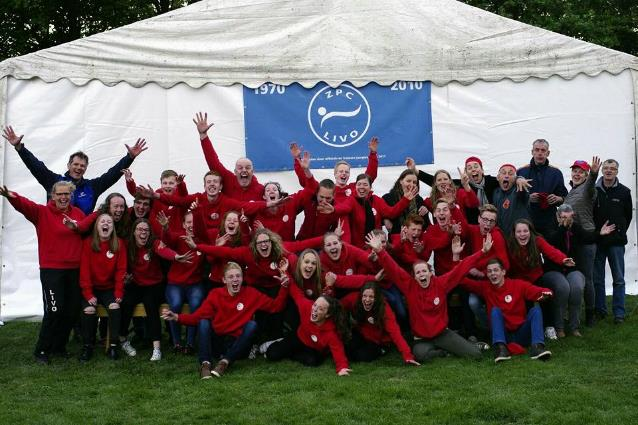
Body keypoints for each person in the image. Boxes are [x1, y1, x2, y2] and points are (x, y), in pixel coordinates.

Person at [366, 231, 492, 362]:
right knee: (420, 355)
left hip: (443, 334)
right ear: (414, 276)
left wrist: (482, 252)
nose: (421, 274)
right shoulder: (409, 286)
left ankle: (469, 344)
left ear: (430, 273)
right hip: (422, 339)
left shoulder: (441, 284)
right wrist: (380, 250)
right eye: (418, 272)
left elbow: (461, 268)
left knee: (476, 355)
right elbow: (393, 268)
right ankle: (443, 351)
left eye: (424, 271)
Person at [0, 182, 85, 363]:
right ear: (52, 196)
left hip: (74, 270)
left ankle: (59, 347)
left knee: (71, 312)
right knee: (54, 310)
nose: (63, 197)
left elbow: (85, 232)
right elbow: (25, 205)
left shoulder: (78, 214)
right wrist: (10, 196)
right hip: (52, 271)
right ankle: (42, 350)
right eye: (59, 194)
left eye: (67, 194)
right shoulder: (41, 213)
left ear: (71, 195)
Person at [162, 262, 289, 378]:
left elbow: (276, 307)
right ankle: (205, 364)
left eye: (238, 276)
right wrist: (177, 317)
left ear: (242, 278)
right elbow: (198, 318)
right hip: (218, 341)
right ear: (224, 280)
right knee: (204, 322)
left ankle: (225, 362)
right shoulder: (215, 294)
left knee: (252, 325)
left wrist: (284, 286)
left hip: (237, 344)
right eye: (231, 277)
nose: (235, 279)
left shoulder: (251, 293)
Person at [2, 125, 147, 214]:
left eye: (82, 166)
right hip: (56, 236)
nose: (78, 168)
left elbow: (112, 174)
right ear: (69, 165)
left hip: (81, 240)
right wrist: (20, 148)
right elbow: (36, 166)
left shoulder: (93, 186)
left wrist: (129, 157)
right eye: (76, 164)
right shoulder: (54, 181)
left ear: (86, 169)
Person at [118, 219, 193, 361]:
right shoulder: (129, 245)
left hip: (155, 284)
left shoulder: (154, 243)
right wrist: (126, 279)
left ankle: (156, 348)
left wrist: (176, 257)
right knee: (126, 302)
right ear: (134, 232)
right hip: (136, 284)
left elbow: (164, 250)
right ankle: (123, 339)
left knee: (150, 303)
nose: (143, 232)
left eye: (146, 230)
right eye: (139, 229)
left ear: (150, 232)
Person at [263, 259, 352, 376]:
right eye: (315, 305)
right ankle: (281, 343)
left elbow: (338, 351)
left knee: (313, 362)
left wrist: (342, 368)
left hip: (314, 349)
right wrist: (285, 273)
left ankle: (292, 353)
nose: (314, 309)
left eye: (320, 309)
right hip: (299, 337)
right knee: (271, 354)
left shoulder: (331, 333)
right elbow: (294, 290)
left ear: (327, 314)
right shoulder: (306, 307)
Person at [461, 258, 553, 363]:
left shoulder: (518, 285)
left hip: (522, 333)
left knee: (536, 310)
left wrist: (547, 293)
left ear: (503, 272)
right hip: (503, 335)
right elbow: (463, 281)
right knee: (495, 311)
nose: (492, 274)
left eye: (496, 270)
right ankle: (500, 349)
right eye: (489, 271)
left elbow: (540, 291)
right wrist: (456, 257)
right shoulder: (485, 287)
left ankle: (537, 347)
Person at [506, 219, 574, 339]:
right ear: (514, 233)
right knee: (526, 305)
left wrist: (563, 259)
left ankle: (549, 327)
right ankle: (527, 329)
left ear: (531, 232)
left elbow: (551, 251)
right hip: (519, 281)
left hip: (536, 277)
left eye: (525, 231)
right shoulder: (509, 245)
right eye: (519, 231)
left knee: (545, 298)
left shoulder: (537, 241)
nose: (522, 234)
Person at [78, 213, 127, 361]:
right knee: (89, 309)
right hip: (91, 288)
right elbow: (84, 271)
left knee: (114, 307)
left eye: (109, 222)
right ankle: (88, 346)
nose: (106, 224)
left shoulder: (118, 243)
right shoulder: (88, 243)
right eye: (102, 221)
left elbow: (121, 271)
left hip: (108, 289)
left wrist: (118, 292)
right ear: (97, 226)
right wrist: (88, 294)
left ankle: (112, 346)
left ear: (112, 227)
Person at [593, 159, 633, 324]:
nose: (609, 171)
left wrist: (619, 231)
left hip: (616, 242)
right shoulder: (593, 190)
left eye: (613, 169)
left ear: (617, 171)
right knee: (598, 278)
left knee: (618, 278)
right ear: (602, 170)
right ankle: (600, 310)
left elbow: (628, 216)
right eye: (606, 168)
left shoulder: (624, 192)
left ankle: (619, 314)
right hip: (598, 241)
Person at [340, 282, 419, 365]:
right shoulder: (354, 298)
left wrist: (408, 356)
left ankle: (382, 350)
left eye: (371, 297)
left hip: (378, 341)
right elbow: (338, 306)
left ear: (377, 298)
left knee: (362, 356)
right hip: (361, 333)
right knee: (347, 350)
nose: (367, 300)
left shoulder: (384, 310)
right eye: (365, 296)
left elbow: (395, 333)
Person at [194, 112, 264, 202]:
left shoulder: (261, 190)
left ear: (253, 171)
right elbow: (213, 162)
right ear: (235, 172)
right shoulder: (228, 180)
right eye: (240, 168)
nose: (244, 170)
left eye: (248, 168)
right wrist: (203, 136)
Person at [335, 173, 417, 247]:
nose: (361, 187)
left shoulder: (377, 200)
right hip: (358, 248)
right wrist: (332, 209)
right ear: (355, 186)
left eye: (365, 184)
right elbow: (343, 208)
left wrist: (405, 199)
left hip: (376, 247)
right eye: (359, 184)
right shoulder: (351, 200)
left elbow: (392, 213)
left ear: (370, 187)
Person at [564, 157, 600, 326]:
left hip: (586, 238)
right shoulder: (572, 191)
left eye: (581, 172)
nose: (577, 174)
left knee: (588, 278)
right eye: (575, 171)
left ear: (586, 175)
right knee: (575, 277)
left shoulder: (587, 188)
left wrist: (594, 173)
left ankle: (590, 314)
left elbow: (591, 185)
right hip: (573, 239)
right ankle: (571, 313)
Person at [544, 204, 589, 337]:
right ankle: (559, 327)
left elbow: (589, 236)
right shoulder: (550, 228)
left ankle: (574, 326)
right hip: (553, 269)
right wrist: (563, 228)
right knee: (563, 288)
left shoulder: (576, 228)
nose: (567, 221)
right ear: (558, 218)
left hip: (573, 268)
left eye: (569, 218)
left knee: (576, 287)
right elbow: (553, 240)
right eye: (563, 218)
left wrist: (601, 233)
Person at [517, 139, 568, 236]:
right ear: (532, 152)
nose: (540, 153)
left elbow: (564, 196)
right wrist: (528, 198)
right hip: (527, 221)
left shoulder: (556, 173)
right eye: (537, 150)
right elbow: (514, 197)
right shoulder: (521, 172)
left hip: (549, 222)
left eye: (543, 150)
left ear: (548, 153)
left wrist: (558, 199)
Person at [382, 169, 429, 234]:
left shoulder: (419, 199)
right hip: (396, 238)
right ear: (401, 181)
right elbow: (380, 215)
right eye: (408, 181)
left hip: (415, 239)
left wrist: (425, 212)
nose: (411, 184)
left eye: (414, 182)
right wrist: (385, 219)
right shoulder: (388, 197)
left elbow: (426, 224)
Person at [492, 163, 530, 235]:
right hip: (501, 236)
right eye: (503, 173)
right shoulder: (496, 192)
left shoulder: (518, 190)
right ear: (498, 177)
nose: (506, 176)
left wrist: (520, 179)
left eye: (510, 174)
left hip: (519, 236)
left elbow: (523, 191)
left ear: (515, 179)